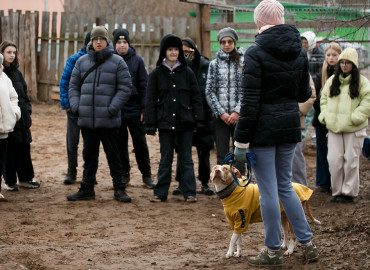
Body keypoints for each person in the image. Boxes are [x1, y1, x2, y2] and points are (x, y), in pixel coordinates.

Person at [233, 0, 318, 266]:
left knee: (268, 191)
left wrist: (240, 142)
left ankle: (272, 251)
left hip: (263, 131)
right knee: (285, 186)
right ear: (280, 19)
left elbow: (249, 103)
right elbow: (304, 93)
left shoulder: (255, 53)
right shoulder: (299, 51)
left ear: (259, 22)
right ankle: (308, 243)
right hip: (290, 126)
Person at [67, 26, 133, 202]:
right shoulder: (81, 62)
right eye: (95, 39)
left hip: (109, 120)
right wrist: (76, 106)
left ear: (106, 41)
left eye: (101, 39)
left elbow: (125, 88)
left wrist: (112, 108)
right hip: (87, 119)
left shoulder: (118, 62)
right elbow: (73, 86)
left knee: (114, 156)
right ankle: (87, 189)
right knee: (89, 156)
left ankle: (119, 189)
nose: (98, 42)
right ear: (91, 41)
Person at [145, 34, 204, 203]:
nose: (173, 53)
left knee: (186, 159)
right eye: (170, 49)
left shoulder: (188, 73)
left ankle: (190, 192)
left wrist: (198, 119)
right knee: (165, 158)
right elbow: (150, 100)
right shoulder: (156, 73)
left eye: (176, 50)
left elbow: (196, 97)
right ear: (164, 51)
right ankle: (160, 192)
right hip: (165, 123)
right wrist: (151, 123)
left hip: (185, 122)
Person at [319, 47, 370, 203]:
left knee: (351, 161)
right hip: (334, 127)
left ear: (354, 65)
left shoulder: (362, 82)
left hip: (353, 128)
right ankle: (337, 190)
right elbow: (324, 99)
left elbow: (367, 103)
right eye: (342, 62)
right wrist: (325, 116)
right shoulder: (332, 81)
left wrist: (355, 118)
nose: (344, 65)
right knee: (334, 160)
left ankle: (348, 192)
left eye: (348, 63)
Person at [112, 28, 155, 189]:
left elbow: (145, 86)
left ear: (129, 44)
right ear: (114, 44)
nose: (122, 45)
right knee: (120, 145)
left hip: (135, 110)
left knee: (140, 144)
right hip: (117, 110)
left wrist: (144, 109)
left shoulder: (138, 60)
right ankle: (125, 174)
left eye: (125, 42)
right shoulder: (111, 60)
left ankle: (146, 175)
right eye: (119, 42)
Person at [173, 37, 214, 196]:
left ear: (193, 50)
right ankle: (182, 182)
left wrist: (201, 119)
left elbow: (207, 93)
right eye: (181, 51)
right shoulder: (177, 67)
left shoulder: (206, 65)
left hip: (203, 116)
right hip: (184, 117)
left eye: (187, 51)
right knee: (183, 152)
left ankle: (205, 182)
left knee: (204, 152)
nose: (185, 54)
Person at [205, 27, 245, 176]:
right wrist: (221, 113)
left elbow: (247, 90)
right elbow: (209, 91)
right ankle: (223, 183)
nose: (226, 44)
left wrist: (237, 111)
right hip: (220, 118)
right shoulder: (214, 64)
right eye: (223, 42)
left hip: (239, 117)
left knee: (239, 153)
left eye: (229, 41)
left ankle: (241, 184)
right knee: (221, 153)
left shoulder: (243, 62)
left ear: (234, 42)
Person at [0, 41, 40, 190]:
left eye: (14, 52)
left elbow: (23, 93)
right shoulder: (1, 74)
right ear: (2, 54)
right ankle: (9, 182)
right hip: (6, 119)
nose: (12, 55)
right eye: (8, 52)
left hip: (21, 118)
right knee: (8, 152)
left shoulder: (17, 73)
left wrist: (27, 110)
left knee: (23, 148)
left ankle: (26, 178)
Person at [59, 31, 91, 185]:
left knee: (89, 142)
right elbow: (65, 83)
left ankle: (88, 173)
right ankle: (72, 171)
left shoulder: (102, 60)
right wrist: (67, 105)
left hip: (91, 109)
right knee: (72, 141)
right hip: (73, 108)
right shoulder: (74, 59)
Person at [312, 42, 342, 193]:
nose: (331, 58)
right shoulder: (320, 74)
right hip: (321, 119)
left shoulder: (343, 75)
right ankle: (323, 181)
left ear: (339, 56)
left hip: (338, 119)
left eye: (334, 55)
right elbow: (316, 98)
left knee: (336, 151)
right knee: (322, 149)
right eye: (328, 55)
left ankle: (336, 180)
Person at [0, 53, 21, 201]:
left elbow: (14, 97)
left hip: (3, 129)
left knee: (0, 162)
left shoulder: (4, 78)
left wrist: (14, 113)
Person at [291, 75, 316, 186]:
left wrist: (296, 111)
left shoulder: (300, 65)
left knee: (295, 159)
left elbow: (311, 95)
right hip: (272, 123)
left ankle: (300, 189)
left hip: (294, 122)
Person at [301, 31, 325, 136]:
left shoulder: (319, 54)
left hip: (315, 87)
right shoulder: (301, 53)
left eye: (306, 42)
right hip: (305, 87)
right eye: (302, 42)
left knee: (311, 111)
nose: (304, 45)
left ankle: (305, 133)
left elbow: (319, 72)